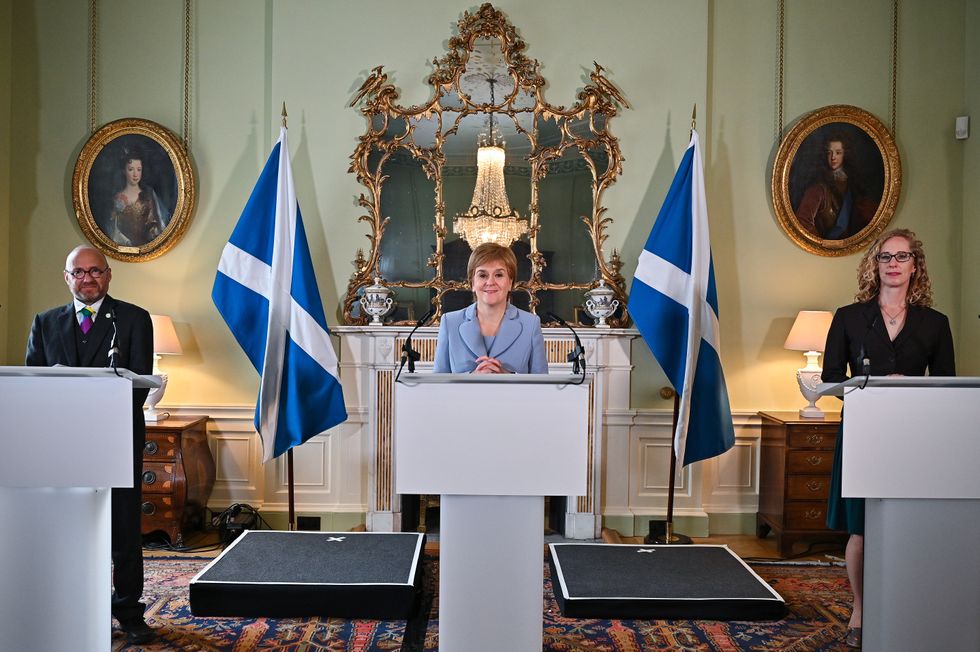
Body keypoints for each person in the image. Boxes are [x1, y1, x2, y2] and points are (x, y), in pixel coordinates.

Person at [821, 228, 955, 648]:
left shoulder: (936, 323)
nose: (893, 264)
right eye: (885, 257)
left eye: (902, 256)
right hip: (863, 430)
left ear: (916, 265)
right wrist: (871, 383)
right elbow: (829, 379)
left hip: (914, 436)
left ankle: (909, 605)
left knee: (910, 526)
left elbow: (947, 385)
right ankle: (860, 610)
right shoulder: (848, 317)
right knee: (860, 529)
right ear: (874, 265)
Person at [25, 245, 156, 644]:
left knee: (123, 529)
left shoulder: (134, 319)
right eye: (78, 272)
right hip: (63, 447)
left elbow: (138, 385)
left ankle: (130, 613)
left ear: (108, 275)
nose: (87, 278)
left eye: (95, 271)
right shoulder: (45, 323)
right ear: (67, 278)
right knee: (71, 530)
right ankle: (72, 607)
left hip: (117, 440)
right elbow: (35, 385)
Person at [433, 242, 547, 374]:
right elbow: (438, 385)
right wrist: (472, 378)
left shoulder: (531, 324)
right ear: (472, 283)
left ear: (510, 282)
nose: (490, 282)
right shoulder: (450, 322)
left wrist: (506, 377)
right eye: (482, 275)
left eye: (499, 275)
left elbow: (542, 387)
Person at [795, 134, 878, 240]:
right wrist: (823, 244)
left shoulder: (853, 184)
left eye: (838, 153)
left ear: (845, 155)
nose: (833, 157)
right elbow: (803, 221)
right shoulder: (818, 189)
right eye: (829, 153)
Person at [110, 149, 171, 247]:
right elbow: (114, 229)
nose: (135, 174)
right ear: (124, 171)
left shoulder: (149, 194)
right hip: (124, 248)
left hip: (147, 248)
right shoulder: (118, 197)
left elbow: (157, 222)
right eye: (131, 169)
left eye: (139, 169)